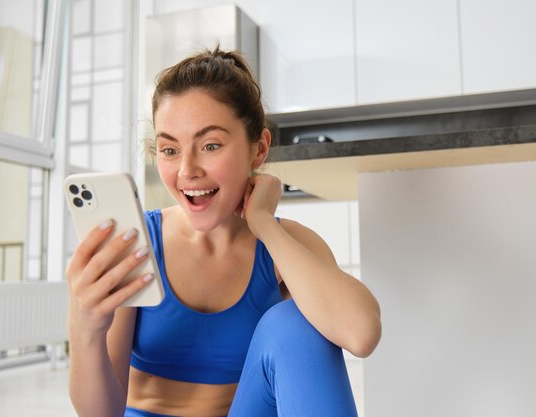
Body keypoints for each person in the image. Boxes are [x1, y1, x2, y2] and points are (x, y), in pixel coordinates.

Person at [66, 46, 382, 417]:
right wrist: (85, 329)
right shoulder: (137, 245)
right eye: (169, 150)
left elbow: (361, 334)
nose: (187, 170)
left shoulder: (285, 245)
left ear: (259, 149)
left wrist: (263, 224)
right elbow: (99, 414)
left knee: (294, 323)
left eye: (210, 145)